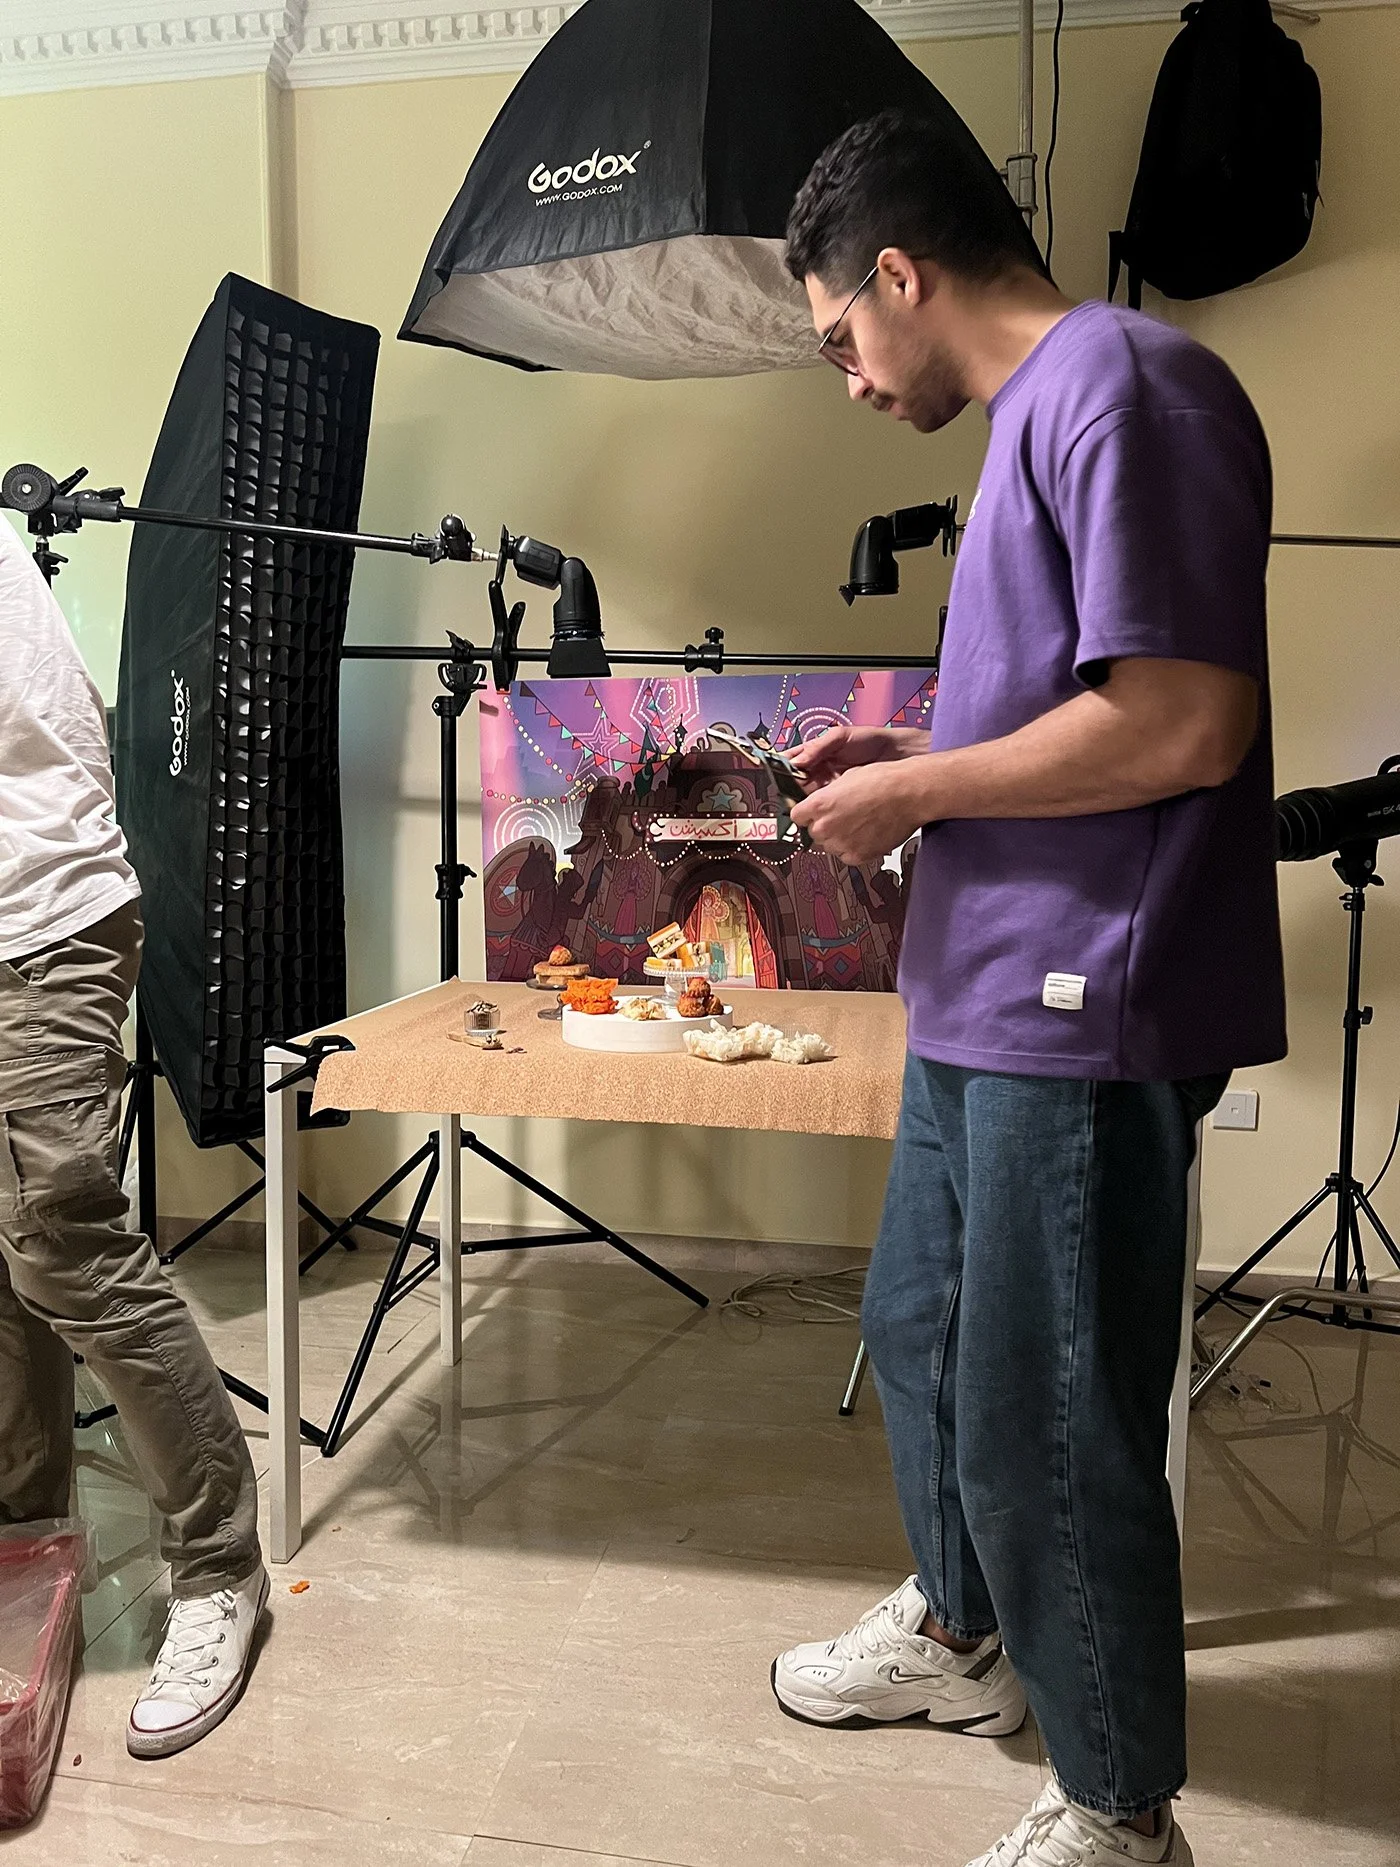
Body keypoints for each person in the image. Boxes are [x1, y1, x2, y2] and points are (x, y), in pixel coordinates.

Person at [773, 110, 1285, 1867]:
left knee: (1049, 1418)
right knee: (922, 1332)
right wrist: (909, 752)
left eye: (840, 336)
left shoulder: (1129, 388)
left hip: (1085, 1002)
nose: (848, 375)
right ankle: (959, 1629)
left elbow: (1183, 721)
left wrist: (918, 791)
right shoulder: (1033, 422)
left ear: (899, 275)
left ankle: (1121, 1810)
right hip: (984, 987)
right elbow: (1070, 704)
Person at [0, 520, 267, 1760]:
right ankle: (24, 1551)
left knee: (63, 1242)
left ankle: (218, 1564)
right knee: (7, 1261)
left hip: (36, 927)